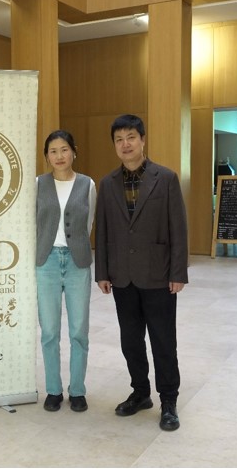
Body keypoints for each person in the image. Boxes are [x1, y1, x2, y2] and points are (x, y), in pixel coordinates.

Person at [94, 114, 188, 431]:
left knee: (163, 340)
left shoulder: (166, 178)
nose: (125, 144)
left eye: (131, 137)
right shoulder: (107, 184)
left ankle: (169, 401)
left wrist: (178, 272)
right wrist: (102, 271)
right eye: (119, 139)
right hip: (122, 276)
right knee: (130, 340)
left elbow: (178, 228)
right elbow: (103, 231)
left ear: (143, 139)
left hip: (158, 274)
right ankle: (140, 393)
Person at [36, 130, 96, 413]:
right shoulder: (38, 184)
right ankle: (53, 389)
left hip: (77, 263)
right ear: (46, 155)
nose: (59, 156)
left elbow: (89, 223)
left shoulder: (87, 184)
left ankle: (78, 390)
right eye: (53, 151)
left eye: (64, 150)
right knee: (49, 331)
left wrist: (77, 248)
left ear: (74, 151)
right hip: (46, 262)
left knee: (79, 331)